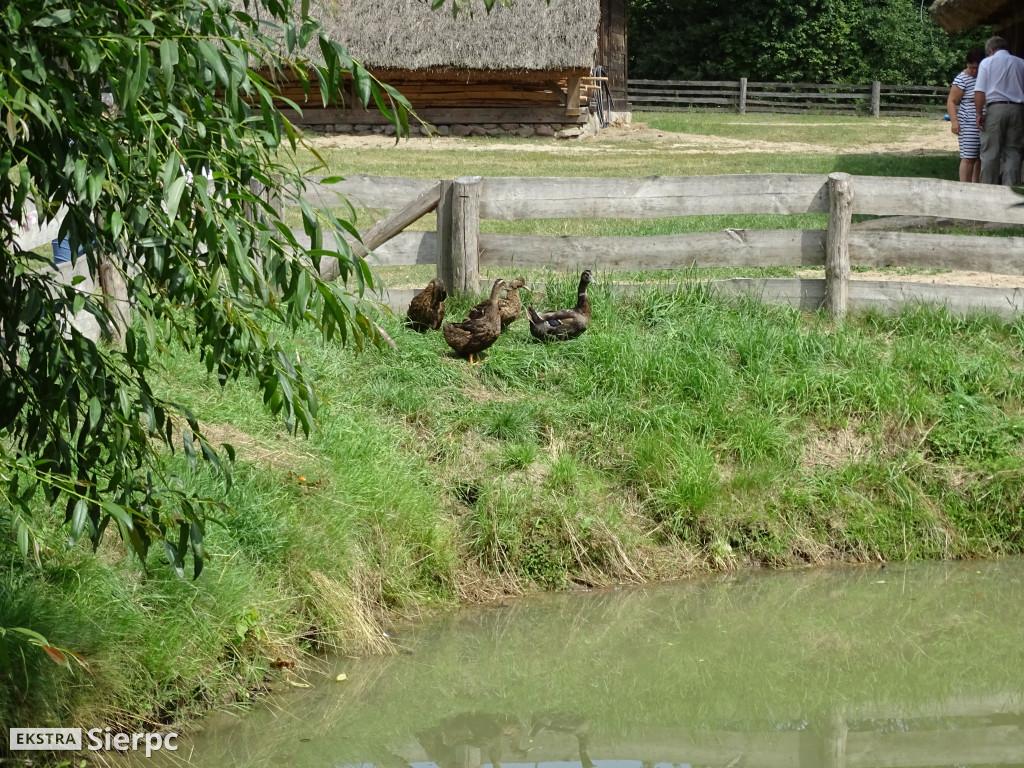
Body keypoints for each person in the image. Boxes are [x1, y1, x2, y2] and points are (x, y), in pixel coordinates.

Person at [973, 36, 1024, 185]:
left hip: (995, 107)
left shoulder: (987, 63)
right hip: (1018, 108)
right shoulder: (1021, 63)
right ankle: (1010, 190)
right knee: (1014, 151)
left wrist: (979, 113)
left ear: (991, 50)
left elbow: (980, 91)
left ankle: (988, 188)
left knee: (990, 151)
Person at [947, 47, 984, 183]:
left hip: (983, 122)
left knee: (979, 157)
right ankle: (964, 186)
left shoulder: (984, 76)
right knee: (968, 157)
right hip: (968, 122)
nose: (974, 71)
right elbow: (951, 101)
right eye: (971, 67)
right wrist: (954, 122)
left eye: (977, 68)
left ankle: (976, 186)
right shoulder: (961, 79)